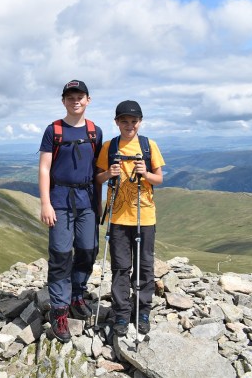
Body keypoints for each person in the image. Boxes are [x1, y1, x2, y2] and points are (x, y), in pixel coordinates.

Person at [38, 80, 103, 343]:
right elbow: (44, 168)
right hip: (60, 199)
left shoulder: (94, 131)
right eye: (70, 97)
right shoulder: (53, 130)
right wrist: (45, 203)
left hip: (87, 199)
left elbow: (97, 171)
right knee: (61, 254)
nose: (75, 101)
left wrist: (99, 203)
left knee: (89, 250)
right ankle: (59, 310)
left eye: (80, 97)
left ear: (88, 99)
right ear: (63, 101)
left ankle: (77, 294)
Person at [96, 100, 165, 336]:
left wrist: (144, 173)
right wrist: (109, 173)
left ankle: (143, 310)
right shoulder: (109, 146)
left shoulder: (148, 145)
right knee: (120, 267)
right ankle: (122, 313)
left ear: (140, 122)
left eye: (133, 121)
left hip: (144, 217)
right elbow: (98, 178)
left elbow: (159, 179)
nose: (129, 125)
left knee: (144, 266)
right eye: (124, 121)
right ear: (116, 122)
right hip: (118, 218)